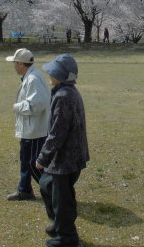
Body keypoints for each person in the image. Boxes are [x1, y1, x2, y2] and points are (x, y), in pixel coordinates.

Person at [35, 54, 89, 247]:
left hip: (66, 158)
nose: (49, 74)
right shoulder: (65, 92)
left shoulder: (65, 95)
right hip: (69, 156)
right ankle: (59, 225)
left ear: (61, 75)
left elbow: (58, 132)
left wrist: (43, 157)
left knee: (61, 198)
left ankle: (67, 237)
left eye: (53, 72)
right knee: (47, 186)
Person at [5, 48, 51, 201]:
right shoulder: (30, 76)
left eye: (15, 63)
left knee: (33, 163)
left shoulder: (33, 79)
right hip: (30, 128)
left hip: (35, 129)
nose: (13, 66)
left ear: (20, 64)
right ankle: (24, 190)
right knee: (25, 160)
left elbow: (37, 105)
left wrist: (17, 107)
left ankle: (53, 191)